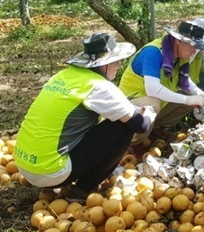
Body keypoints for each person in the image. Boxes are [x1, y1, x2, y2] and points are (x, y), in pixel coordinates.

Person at [14, 33, 157, 201]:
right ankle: (81, 191)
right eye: (117, 61)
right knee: (124, 126)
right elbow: (141, 126)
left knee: (117, 119)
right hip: (50, 171)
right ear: (105, 64)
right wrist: (149, 112)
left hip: (24, 165)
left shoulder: (62, 76)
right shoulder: (99, 86)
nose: (119, 65)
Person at [119, 20, 204, 150]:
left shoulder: (181, 55)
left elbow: (185, 82)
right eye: (192, 45)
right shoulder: (153, 52)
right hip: (130, 105)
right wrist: (187, 99)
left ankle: (156, 130)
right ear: (178, 40)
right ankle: (130, 143)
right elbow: (152, 89)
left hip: (155, 107)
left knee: (191, 99)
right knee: (153, 103)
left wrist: (200, 94)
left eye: (197, 46)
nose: (195, 50)